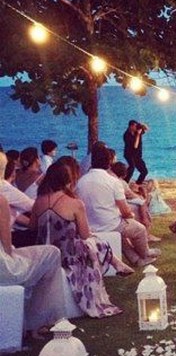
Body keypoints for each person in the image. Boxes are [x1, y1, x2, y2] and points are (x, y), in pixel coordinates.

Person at [31, 164, 131, 318]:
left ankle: (116, 263)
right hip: (69, 256)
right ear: (67, 180)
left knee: (93, 242)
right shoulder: (75, 203)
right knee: (92, 242)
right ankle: (115, 262)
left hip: (45, 254)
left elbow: (33, 227)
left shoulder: (39, 202)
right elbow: (84, 235)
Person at [76, 144, 159, 267]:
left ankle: (136, 260)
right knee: (139, 229)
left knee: (121, 235)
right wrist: (130, 215)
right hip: (110, 224)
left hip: (90, 226)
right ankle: (145, 254)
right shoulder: (113, 182)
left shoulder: (81, 182)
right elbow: (125, 212)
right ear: (109, 163)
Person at [0, 193, 65, 338]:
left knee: (33, 259)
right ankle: (36, 322)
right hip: (4, 269)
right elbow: (7, 247)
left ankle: (29, 319)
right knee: (52, 253)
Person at [0, 152, 35, 248]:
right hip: (7, 239)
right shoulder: (4, 187)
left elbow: (15, 213)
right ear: (12, 173)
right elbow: (31, 205)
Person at [123, 120, 149, 184]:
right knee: (132, 167)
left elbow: (147, 129)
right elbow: (135, 146)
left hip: (137, 155)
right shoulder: (126, 135)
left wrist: (142, 125)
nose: (136, 127)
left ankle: (138, 183)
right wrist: (138, 134)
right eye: (135, 126)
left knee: (144, 171)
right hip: (129, 155)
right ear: (131, 126)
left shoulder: (137, 131)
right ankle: (125, 182)